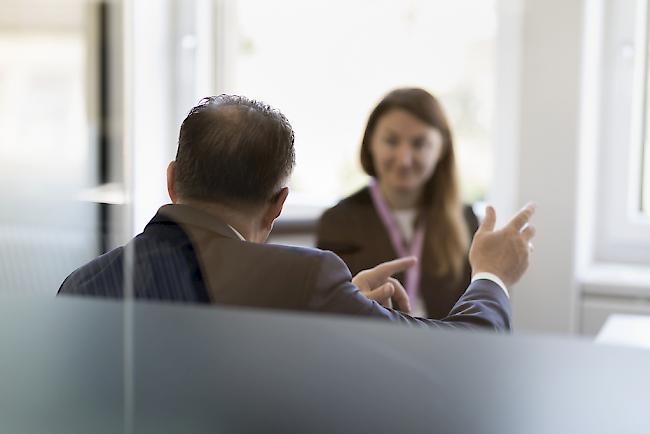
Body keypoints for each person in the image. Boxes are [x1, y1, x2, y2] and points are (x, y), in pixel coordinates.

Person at [58, 94, 536, 331]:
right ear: (278, 205)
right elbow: (464, 349)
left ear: (171, 180)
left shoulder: (79, 286)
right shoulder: (306, 277)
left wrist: (343, 302)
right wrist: (492, 275)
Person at [318, 88, 480, 319]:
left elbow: (471, 316)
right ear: (371, 142)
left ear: (441, 149)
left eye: (419, 144)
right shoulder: (338, 221)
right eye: (391, 141)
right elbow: (329, 315)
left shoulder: (466, 220)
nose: (404, 159)